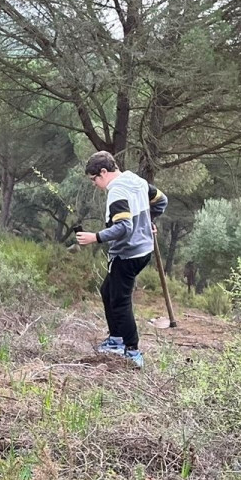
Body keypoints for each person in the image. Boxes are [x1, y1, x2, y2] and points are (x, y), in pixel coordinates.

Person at [76, 152, 168, 368]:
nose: (94, 184)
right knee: (108, 290)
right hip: (144, 250)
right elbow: (161, 201)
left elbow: (123, 228)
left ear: (104, 172)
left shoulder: (116, 190)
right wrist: (149, 221)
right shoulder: (136, 180)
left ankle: (132, 351)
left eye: (94, 179)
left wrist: (95, 237)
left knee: (120, 300)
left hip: (127, 254)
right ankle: (115, 339)